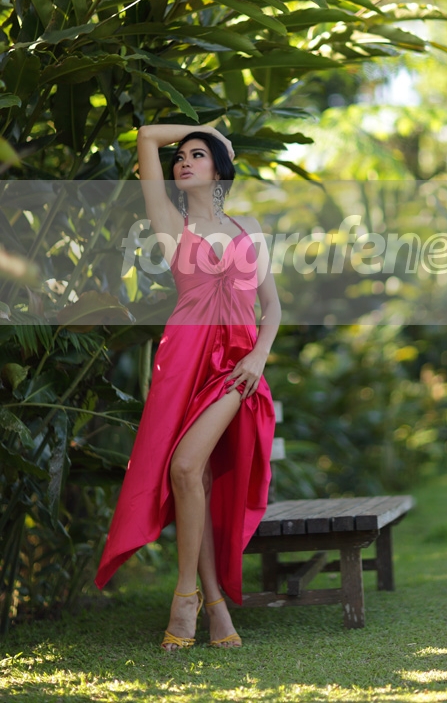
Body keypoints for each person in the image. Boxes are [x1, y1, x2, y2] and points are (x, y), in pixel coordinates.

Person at [94, 123, 281, 651]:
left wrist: (259, 358)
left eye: (198, 154)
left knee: (184, 467)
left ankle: (183, 597)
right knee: (192, 477)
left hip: (237, 368)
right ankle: (214, 604)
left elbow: (272, 307)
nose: (184, 161)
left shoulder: (248, 226)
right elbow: (146, 137)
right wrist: (211, 129)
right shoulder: (170, 223)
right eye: (181, 157)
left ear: (219, 167)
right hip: (184, 362)